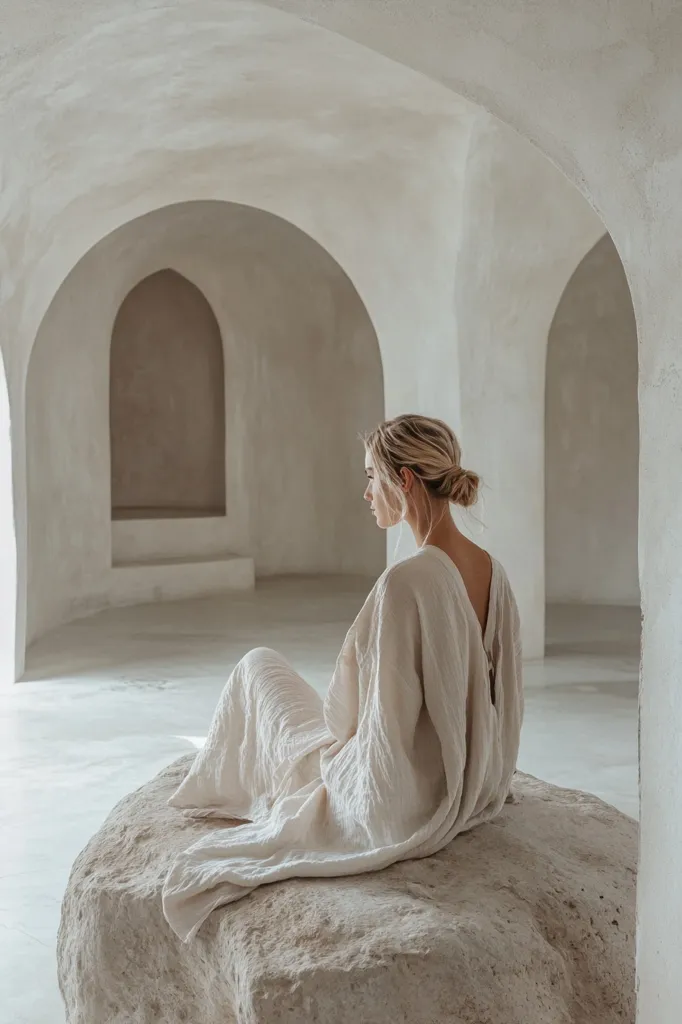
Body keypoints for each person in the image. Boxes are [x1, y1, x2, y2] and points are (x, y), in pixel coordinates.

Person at [163, 414, 524, 942]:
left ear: (402, 481)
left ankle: (215, 787)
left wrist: (337, 763)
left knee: (257, 666)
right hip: (474, 779)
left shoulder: (407, 581)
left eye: (370, 477)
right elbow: (505, 705)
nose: (365, 493)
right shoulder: (493, 569)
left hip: (397, 795)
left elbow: (368, 726)